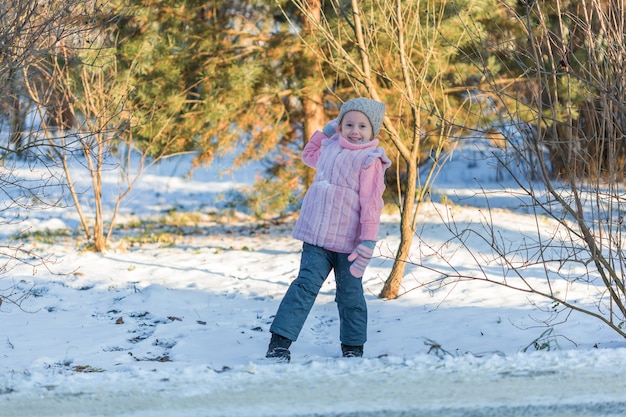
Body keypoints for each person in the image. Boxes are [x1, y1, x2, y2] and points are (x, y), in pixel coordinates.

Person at [265, 97, 392, 362]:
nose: (354, 131)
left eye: (362, 126)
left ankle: (353, 346)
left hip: (349, 244)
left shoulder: (371, 160)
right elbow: (308, 155)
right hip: (316, 238)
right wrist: (326, 131)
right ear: (340, 125)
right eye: (348, 124)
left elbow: (372, 204)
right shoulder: (331, 146)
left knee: (350, 295)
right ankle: (279, 343)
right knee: (303, 287)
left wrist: (368, 241)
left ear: (373, 131)